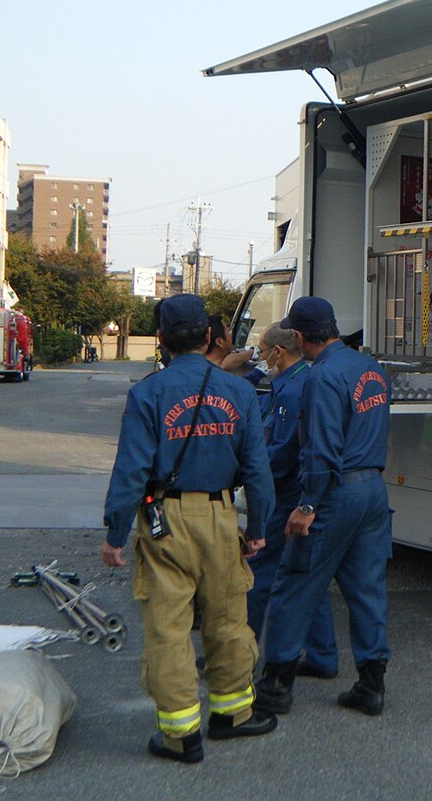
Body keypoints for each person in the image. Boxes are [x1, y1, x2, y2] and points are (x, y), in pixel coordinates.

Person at [101, 294, 278, 763]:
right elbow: (257, 469)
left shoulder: (147, 394)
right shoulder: (240, 392)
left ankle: (182, 736)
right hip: (221, 516)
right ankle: (232, 715)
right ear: (208, 337)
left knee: (169, 628)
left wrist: (116, 534)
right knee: (228, 619)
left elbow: (131, 471)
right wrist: (258, 527)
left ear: (161, 338)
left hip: (165, 520)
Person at [256, 296, 392, 717]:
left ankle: (275, 687)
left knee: (294, 583)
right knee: (366, 589)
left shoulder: (321, 377)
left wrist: (307, 505)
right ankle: (371, 685)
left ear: (298, 337)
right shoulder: (370, 368)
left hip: (335, 492)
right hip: (373, 490)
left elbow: (321, 448)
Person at [246, 323, 338, 678]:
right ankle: (322, 655)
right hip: (300, 491)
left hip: (285, 494)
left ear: (278, 352)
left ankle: (239, 652)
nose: (260, 358)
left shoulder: (292, 389)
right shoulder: (295, 382)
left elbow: (282, 449)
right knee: (306, 574)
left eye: (262, 351)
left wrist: (251, 479)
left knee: (259, 572)